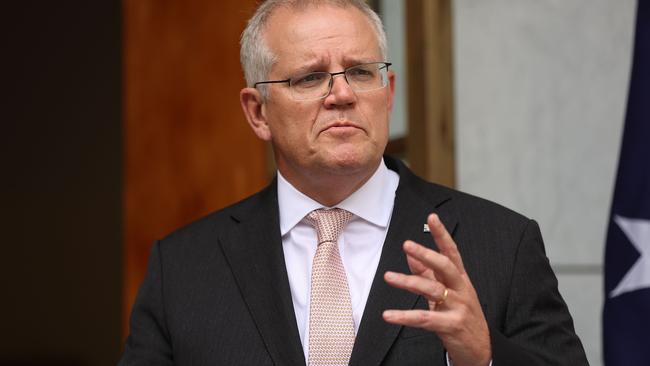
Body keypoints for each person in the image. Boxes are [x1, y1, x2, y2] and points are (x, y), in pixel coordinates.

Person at [118, 1, 588, 365]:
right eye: (310, 77)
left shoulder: (501, 245)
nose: (342, 94)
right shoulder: (182, 269)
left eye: (362, 72)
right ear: (257, 112)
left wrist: (484, 355)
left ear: (388, 94)